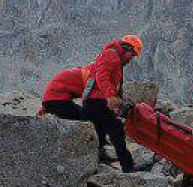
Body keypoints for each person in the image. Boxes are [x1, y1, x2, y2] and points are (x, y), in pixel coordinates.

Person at [41, 34, 143, 172]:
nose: (132, 58)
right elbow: (102, 77)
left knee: (97, 124)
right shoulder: (110, 56)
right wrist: (110, 96)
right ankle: (127, 166)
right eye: (133, 54)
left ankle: (98, 155)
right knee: (113, 127)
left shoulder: (109, 59)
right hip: (66, 100)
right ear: (127, 48)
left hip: (59, 99)